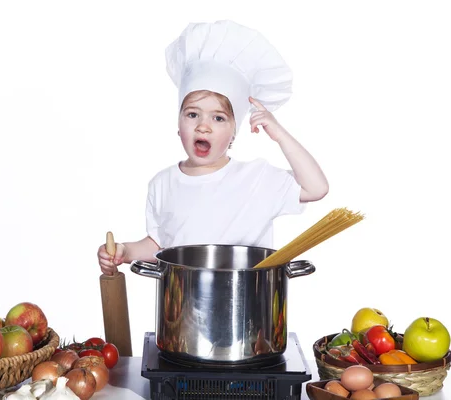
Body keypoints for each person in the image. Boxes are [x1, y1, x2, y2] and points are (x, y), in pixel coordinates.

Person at [98, 20, 328, 275]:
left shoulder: (257, 178)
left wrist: (280, 135)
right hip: (180, 310)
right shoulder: (161, 184)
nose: (203, 126)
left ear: (233, 133)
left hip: (249, 308)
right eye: (192, 114)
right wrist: (125, 251)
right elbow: (160, 246)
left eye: (218, 118)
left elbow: (316, 188)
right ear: (178, 124)